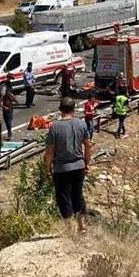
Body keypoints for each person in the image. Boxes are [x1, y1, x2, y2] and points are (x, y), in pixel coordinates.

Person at [44, 96, 92, 233]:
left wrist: (47, 169)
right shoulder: (81, 124)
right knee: (78, 195)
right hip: (78, 166)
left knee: (63, 197)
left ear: (60, 110)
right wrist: (86, 163)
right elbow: (87, 146)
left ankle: (69, 228)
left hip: (61, 169)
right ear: (74, 109)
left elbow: (49, 152)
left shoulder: (55, 127)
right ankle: (82, 226)